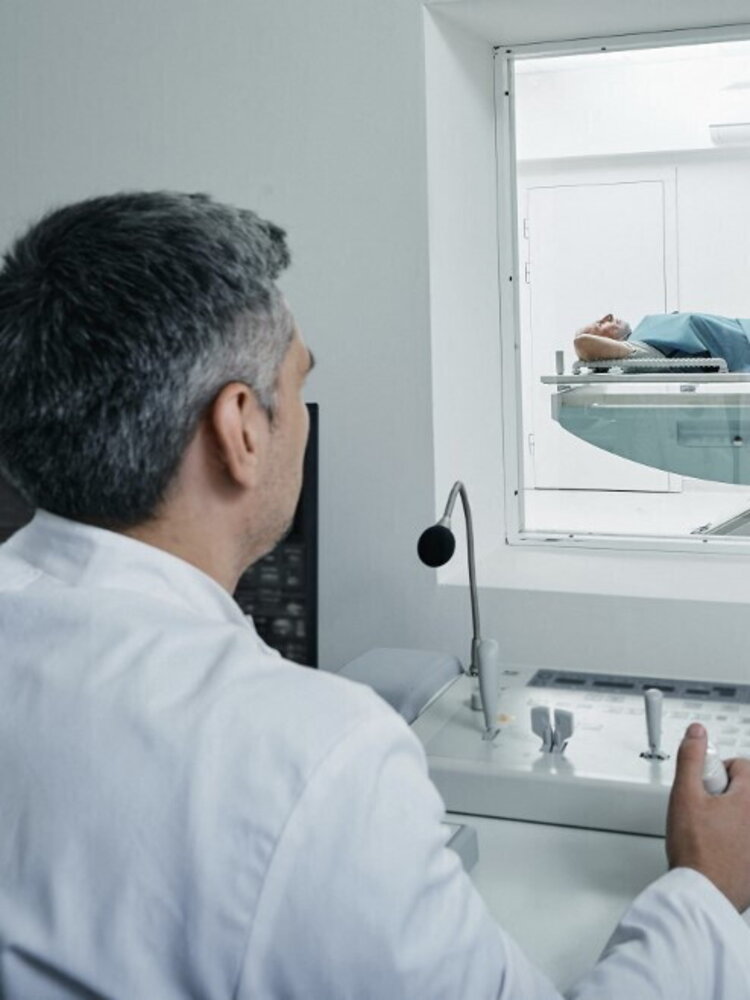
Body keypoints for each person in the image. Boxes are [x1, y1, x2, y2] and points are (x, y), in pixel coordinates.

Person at [0, 192, 748, 1000]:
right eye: (299, 383)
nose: (303, 420)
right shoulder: (305, 756)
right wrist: (706, 890)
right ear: (240, 429)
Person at [574, 311, 750, 371]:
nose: (609, 316)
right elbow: (583, 344)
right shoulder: (639, 350)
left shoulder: (644, 331)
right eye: (600, 324)